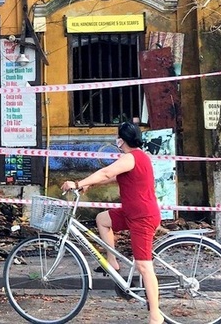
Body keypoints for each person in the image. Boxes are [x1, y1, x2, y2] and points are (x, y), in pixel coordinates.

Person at [61, 121, 163, 324]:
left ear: (122, 140)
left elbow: (107, 172)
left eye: (118, 137)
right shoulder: (137, 158)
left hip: (142, 217)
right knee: (102, 219)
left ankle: (155, 316)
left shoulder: (131, 157)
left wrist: (78, 183)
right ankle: (113, 262)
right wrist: (88, 184)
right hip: (131, 212)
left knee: (144, 266)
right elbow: (113, 178)